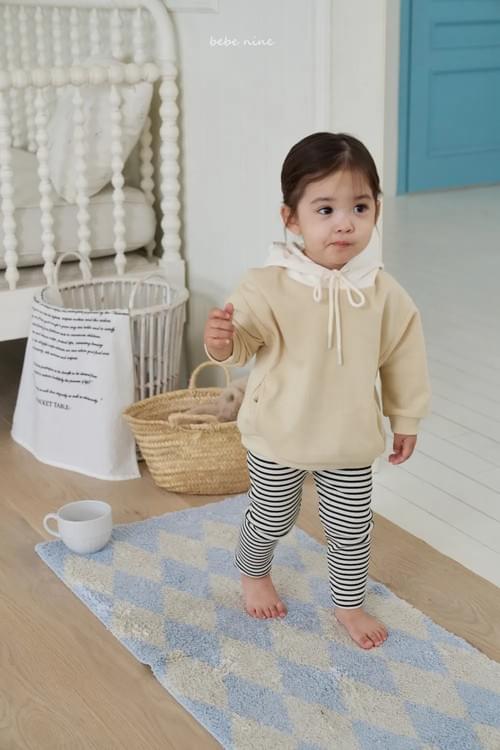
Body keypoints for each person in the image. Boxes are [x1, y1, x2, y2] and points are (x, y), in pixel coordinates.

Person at [203, 132, 431, 650]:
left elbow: (404, 357)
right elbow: (241, 342)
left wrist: (406, 418)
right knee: (272, 515)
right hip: (278, 431)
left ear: (376, 211)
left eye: (359, 207)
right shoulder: (266, 284)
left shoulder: (383, 292)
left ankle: (349, 604)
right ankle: (253, 570)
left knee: (351, 528)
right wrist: (222, 341)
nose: (344, 223)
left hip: (349, 436)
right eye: (325, 210)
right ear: (292, 219)